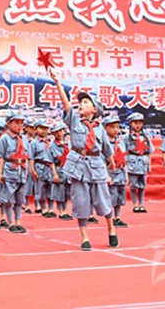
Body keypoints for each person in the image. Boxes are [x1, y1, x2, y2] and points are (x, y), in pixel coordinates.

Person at [49, 68, 118, 251]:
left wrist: (111, 163)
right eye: (80, 102)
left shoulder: (100, 129)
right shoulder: (74, 121)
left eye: (86, 102)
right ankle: (84, 237)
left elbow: (106, 149)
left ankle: (111, 229)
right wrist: (57, 82)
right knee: (80, 202)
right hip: (78, 166)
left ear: (94, 110)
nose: (81, 104)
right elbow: (65, 103)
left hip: (96, 166)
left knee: (103, 200)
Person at [0, 112, 30, 233]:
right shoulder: (4, 138)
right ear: (9, 123)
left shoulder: (24, 138)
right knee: (8, 199)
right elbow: (1, 157)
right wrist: (0, 173)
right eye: (16, 123)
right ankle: (11, 222)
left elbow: (27, 156)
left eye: (21, 123)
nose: (19, 126)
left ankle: (18, 221)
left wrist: (27, 170)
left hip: (21, 171)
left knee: (20, 199)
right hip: (10, 170)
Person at [124, 112, 153, 213]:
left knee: (142, 185)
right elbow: (123, 151)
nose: (138, 125)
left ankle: (141, 204)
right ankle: (135, 204)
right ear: (130, 123)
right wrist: (125, 165)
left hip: (143, 162)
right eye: (135, 122)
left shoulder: (146, 137)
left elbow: (149, 151)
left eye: (140, 123)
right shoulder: (126, 137)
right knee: (133, 185)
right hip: (132, 162)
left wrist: (149, 164)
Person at [104, 115, 128, 227]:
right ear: (105, 128)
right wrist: (107, 175)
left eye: (117, 127)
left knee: (119, 197)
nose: (115, 130)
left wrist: (126, 174)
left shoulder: (121, 142)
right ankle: (110, 218)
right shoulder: (104, 144)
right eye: (112, 127)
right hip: (111, 173)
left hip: (121, 173)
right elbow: (102, 161)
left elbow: (124, 158)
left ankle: (117, 217)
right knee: (112, 196)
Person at [31, 120, 55, 217]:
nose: (44, 130)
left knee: (52, 189)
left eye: (46, 128)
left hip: (50, 167)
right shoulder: (34, 143)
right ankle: (43, 208)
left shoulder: (51, 142)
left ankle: (51, 209)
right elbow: (31, 158)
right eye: (41, 128)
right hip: (40, 167)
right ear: (36, 129)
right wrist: (32, 170)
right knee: (40, 189)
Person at [48, 122, 70, 220]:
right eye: (56, 132)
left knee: (66, 192)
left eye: (61, 131)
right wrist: (55, 174)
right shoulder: (52, 146)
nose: (59, 133)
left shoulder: (68, 144)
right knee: (59, 192)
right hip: (58, 169)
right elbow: (51, 161)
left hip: (67, 170)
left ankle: (65, 210)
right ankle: (60, 211)